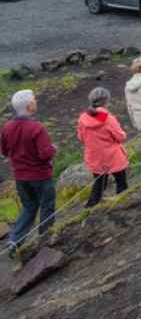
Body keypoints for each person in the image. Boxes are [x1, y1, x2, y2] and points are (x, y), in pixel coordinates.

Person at [1, 90, 56, 257]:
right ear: (29, 105)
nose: (36, 101)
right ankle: (45, 240)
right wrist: (53, 149)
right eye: (34, 99)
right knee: (47, 206)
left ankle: (14, 240)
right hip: (40, 175)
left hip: (20, 176)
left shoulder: (7, 127)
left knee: (29, 206)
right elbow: (45, 154)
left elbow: (4, 151)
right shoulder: (37, 128)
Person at [77, 87, 129, 208]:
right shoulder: (108, 119)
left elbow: (81, 137)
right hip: (113, 157)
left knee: (99, 184)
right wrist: (123, 134)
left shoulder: (83, 118)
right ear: (106, 101)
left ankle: (89, 208)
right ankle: (123, 205)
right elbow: (120, 137)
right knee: (121, 183)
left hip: (95, 157)